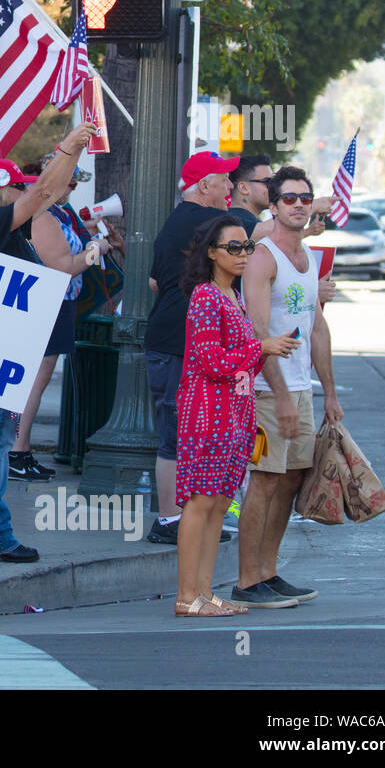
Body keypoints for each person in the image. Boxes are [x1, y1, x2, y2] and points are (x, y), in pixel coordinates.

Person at [0, 136, 96, 565]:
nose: (28, 195)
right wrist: (71, 147)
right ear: (6, 194)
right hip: (1, 347)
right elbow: (44, 192)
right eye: (19, 188)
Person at [173, 216, 299, 616]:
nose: (243, 254)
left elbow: (239, 364)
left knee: (221, 503)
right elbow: (210, 361)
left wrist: (261, 352)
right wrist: (261, 347)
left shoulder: (234, 298)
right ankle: (186, 595)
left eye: (246, 247)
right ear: (212, 252)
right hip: (208, 411)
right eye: (233, 247)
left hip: (236, 412)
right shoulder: (206, 297)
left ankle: (205, 593)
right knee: (201, 502)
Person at [232, 166, 342, 609]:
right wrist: (278, 396)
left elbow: (317, 328)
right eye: (290, 199)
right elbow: (258, 333)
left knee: (292, 478)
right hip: (264, 389)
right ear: (273, 206)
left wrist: (329, 391)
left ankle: (268, 571)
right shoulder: (262, 256)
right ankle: (245, 581)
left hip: (300, 387)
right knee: (263, 480)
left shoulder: (307, 257)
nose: (298, 205)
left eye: (304, 198)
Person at [143, 152, 237, 544]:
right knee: (177, 434)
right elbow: (259, 235)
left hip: (173, 342)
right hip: (177, 345)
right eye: (225, 180)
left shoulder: (178, 222)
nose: (230, 186)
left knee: (185, 434)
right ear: (204, 186)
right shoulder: (205, 222)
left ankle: (186, 518)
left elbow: (153, 283)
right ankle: (169, 521)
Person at [8, 159, 110, 480]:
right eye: (68, 181)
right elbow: (64, 267)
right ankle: (15, 449)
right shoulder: (41, 216)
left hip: (57, 304)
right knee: (34, 380)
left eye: (75, 183)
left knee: (38, 378)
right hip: (48, 304)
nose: (73, 187)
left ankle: (19, 448)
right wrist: (97, 249)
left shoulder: (54, 213)